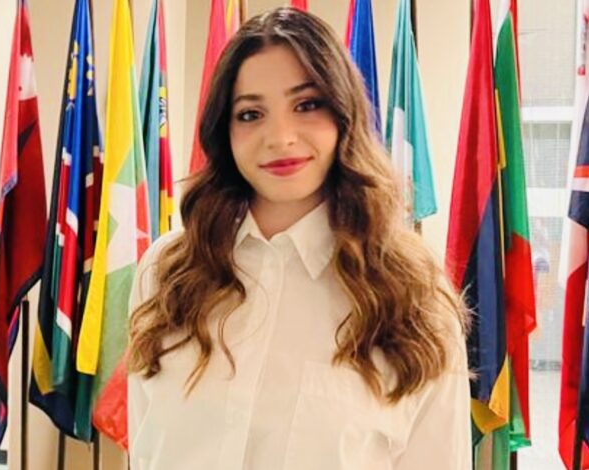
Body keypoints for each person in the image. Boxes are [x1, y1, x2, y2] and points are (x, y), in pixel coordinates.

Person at [127, 7, 471, 470]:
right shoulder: (166, 271)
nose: (280, 137)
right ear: (224, 131)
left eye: (306, 105)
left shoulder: (413, 295)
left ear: (343, 113)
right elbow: (144, 450)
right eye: (250, 114)